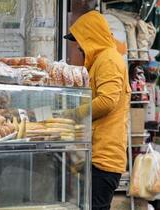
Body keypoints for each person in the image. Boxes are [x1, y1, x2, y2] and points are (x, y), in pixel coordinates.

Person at [64, 10, 131, 210]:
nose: (79, 47)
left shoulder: (108, 59)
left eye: (81, 41)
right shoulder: (102, 60)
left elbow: (107, 101)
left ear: (91, 37)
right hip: (97, 155)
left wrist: (74, 114)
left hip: (104, 158)